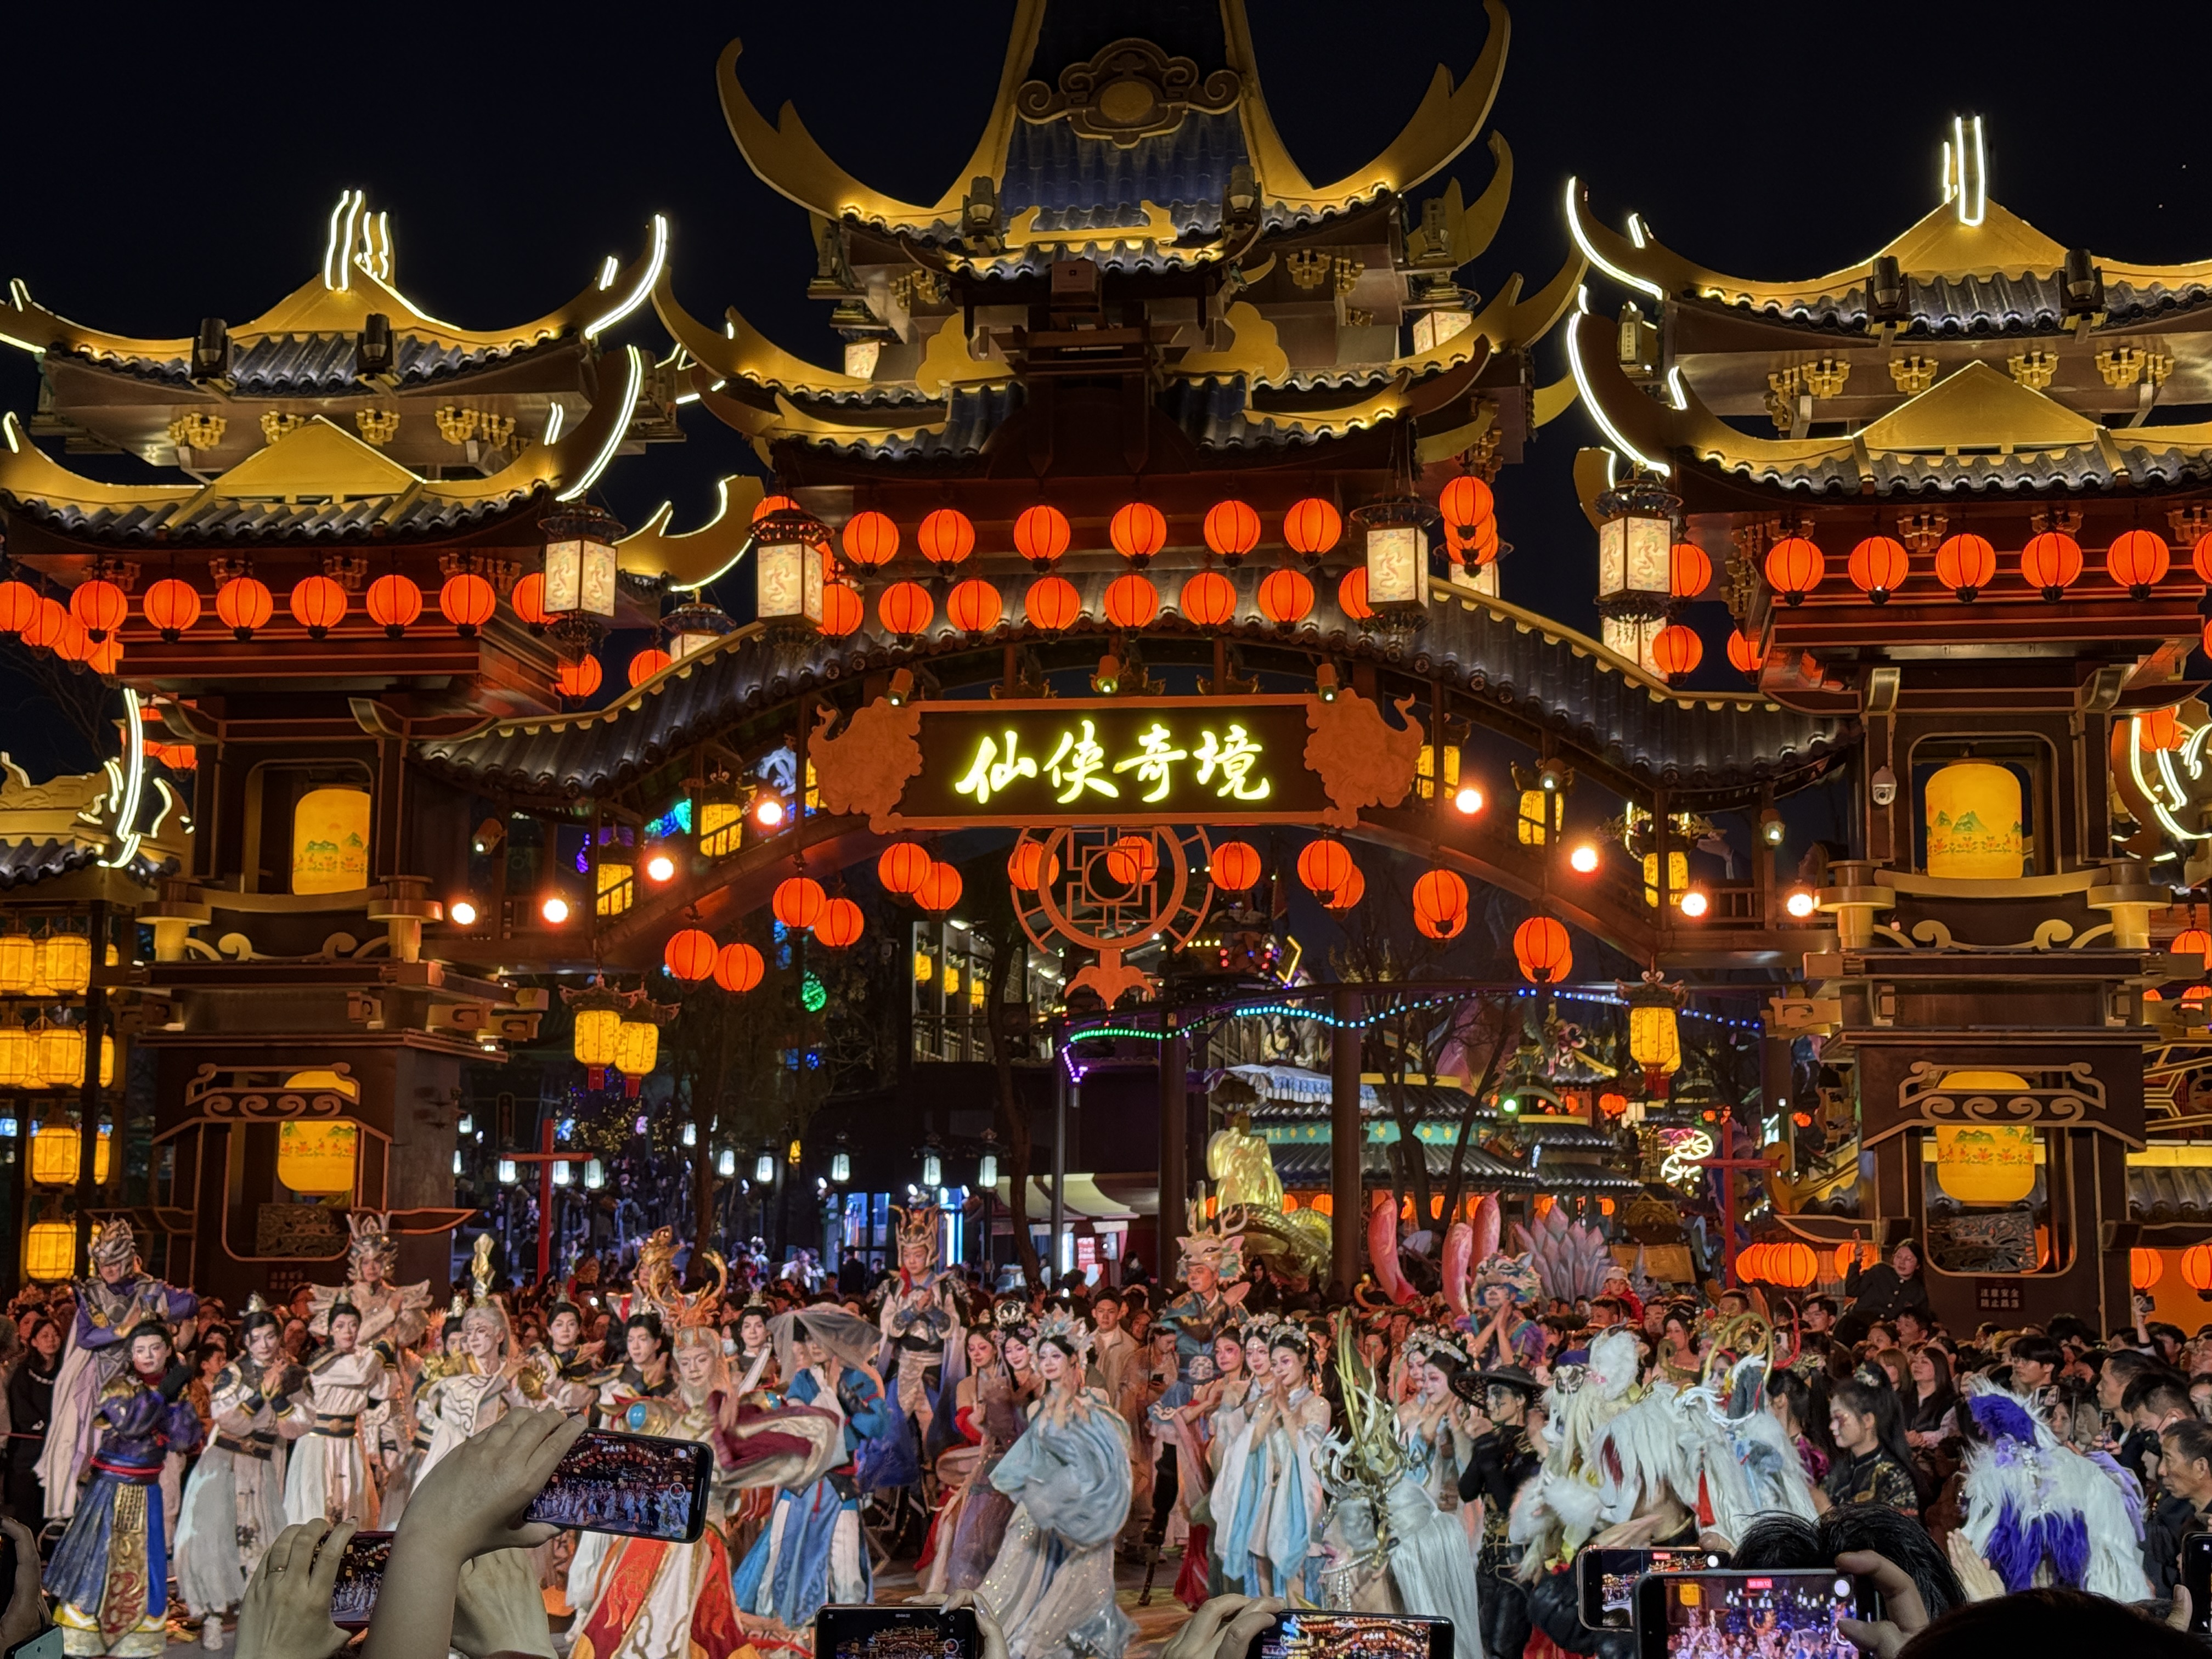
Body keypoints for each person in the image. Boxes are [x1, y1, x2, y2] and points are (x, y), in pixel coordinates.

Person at [977, 1315, 1137, 1659]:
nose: (1048, 1363)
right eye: (1043, 1356)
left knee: (1080, 1580)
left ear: (1074, 1360)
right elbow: (1034, 1456)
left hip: (1083, 1505)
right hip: (1044, 1501)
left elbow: (1114, 1448)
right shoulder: (1039, 1406)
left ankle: (1064, 1641)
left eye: (1056, 1356)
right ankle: (1007, 1636)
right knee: (1015, 1564)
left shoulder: (1096, 1401)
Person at [47, 1318, 203, 1656]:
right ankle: (83, 1635)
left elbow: (184, 1440)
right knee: (98, 1559)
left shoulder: (173, 1390)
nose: (148, 1356)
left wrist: (178, 1403)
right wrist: (161, 1396)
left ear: (168, 1350)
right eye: (140, 1350)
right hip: (112, 1487)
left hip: (149, 1487)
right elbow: (131, 1425)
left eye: (155, 1348)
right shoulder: (118, 1386)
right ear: (131, 1354)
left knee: (147, 1561)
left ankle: (137, 1638)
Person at [732, 1306, 892, 1634]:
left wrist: (840, 1395)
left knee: (844, 1560)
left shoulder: (860, 1379)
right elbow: (800, 1428)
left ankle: (846, 1626)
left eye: (823, 1337)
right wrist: (836, 1413)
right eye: (810, 1338)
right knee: (782, 1551)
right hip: (803, 1484)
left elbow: (876, 1426)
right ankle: (784, 1619)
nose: (815, 1345)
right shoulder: (803, 1379)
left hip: (839, 1484)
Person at [36, 1221, 197, 1523]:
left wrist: (155, 1313)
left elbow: (190, 1303)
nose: (108, 1269)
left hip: (145, 1382)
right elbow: (86, 1336)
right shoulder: (92, 1292)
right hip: (102, 1379)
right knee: (83, 1449)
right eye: (103, 1263)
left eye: (114, 1262)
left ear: (129, 1259)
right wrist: (121, 1329)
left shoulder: (149, 1288)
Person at [174, 1295, 304, 1650]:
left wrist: (279, 1397)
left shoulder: (293, 1375)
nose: (264, 1344)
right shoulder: (232, 1373)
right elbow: (227, 1417)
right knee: (215, 1538)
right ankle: (213, 1618)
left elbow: (299, 1424)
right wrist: (261, 1395)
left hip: (262, 1465)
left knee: (258, 1538)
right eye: (256, 1338)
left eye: (270, 1336)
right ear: (246, 1340)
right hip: (224, 1462)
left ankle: (252, 1617)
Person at [1220, 1325, 1328, 1601]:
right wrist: (1269, 1408)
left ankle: (1298, 1621)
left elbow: (1309, 1453)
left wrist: (1285, 1410)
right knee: (1261, 1560)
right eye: (1275, 1363)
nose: (1279, 1369)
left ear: (1303, 1360)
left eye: (1286, 1361)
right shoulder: (1266, 1402)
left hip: (1300, 1495)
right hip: (1267, 1493)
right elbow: (1250, 1444)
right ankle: (1268, 1619)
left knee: (1295, 1565)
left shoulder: (1317, 1404)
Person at [282, 1298, 395, 1528]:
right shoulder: (325, 1359)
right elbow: (359, 1374)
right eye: (341, 1326)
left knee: (350, 1503)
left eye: (353, 1325)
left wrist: (388, 1361)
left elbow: (385, 1390)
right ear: (331, 1330)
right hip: (319, 1442)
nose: (348, 1331)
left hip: (349, 1442)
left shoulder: (363, 1358)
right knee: (317, 1502)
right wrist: (383, 1348)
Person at [1456, 1363, 1542, 1659]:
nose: (1490, 1402)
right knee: (1481, 1644)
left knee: (1504, 1648)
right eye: (1489, 1395)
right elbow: (1467, 1491)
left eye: (1499, 1395)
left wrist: (1488, 1452)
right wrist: (1483, 1450)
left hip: (1517, 1561)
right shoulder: (1494, 1439)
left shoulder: (1533, 1447)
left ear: (1520, 1400)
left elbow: (1509, 1506)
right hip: (1488, 1558)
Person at [1822, 1369, 1924, 1518]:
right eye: (1832, 1419)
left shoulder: (1892, 1476)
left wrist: (1826, 1510)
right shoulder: (1839, 1469)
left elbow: (1900, 1530)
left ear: (1868, 1420)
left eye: (1839, 1418)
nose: (1832, 1427)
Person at [5, 1316, 59, 1523]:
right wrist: (45, 1427)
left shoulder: (65, 1373)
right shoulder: (23, 1373)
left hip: (57, 1449)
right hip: (29, 1450)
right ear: (34, 1342)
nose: (51, 1340)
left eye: (55, 1335)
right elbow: (22, 1410)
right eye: (45, 1336)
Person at [1845, 1239, 1932, 1326]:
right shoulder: (1880, 1271)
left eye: (1908, 1259)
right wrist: (1856, 1262)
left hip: (1886, 1331)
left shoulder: (1918, 1291)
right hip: (1855, 1324)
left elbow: (1922, 1320)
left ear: (1918, 1265)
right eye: (1899, 1257)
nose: (1902, 1262)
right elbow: (1852, 1291)